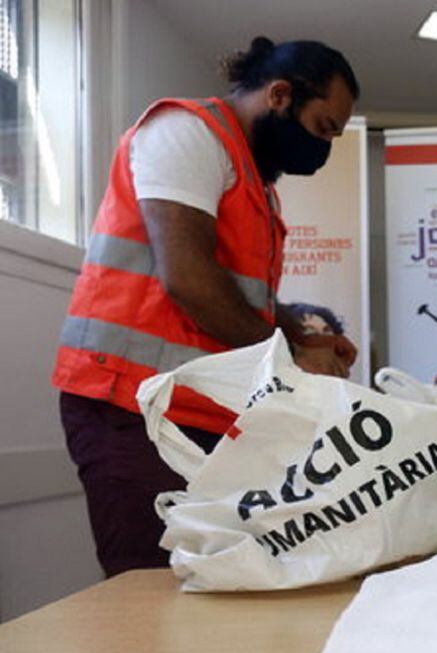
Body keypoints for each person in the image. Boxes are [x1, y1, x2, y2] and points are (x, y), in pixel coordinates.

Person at [52, 37, 360, 577]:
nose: (323, 148)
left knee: (210, 582)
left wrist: (302, 336)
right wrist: (289, 357)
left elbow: (242, 298)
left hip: (192, 411)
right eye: (323, 128)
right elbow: (190, 281)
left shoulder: (254, 183)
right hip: (128, 404)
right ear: (281, 95)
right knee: (150, 587)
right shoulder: (186, 132)